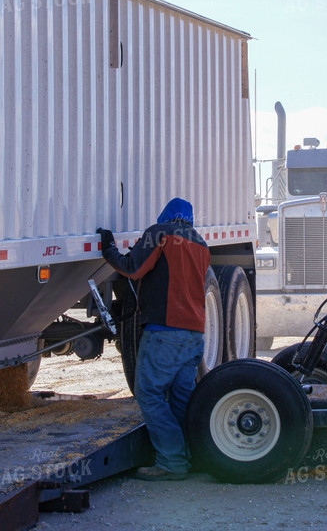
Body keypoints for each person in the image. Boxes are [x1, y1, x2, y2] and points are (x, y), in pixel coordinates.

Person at [96, 197, 210, 481]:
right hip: (195, 333)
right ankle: (188, 458)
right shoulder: (202, 244)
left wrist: (108, 248)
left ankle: (172, 462)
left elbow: (133, 269)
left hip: (165, 331)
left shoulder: (160, 233)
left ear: (166, 215)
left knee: (149, 393)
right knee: (182, 397)